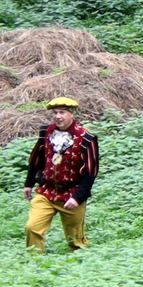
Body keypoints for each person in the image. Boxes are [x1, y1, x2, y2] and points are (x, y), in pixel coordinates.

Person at [23, 96, 100, 252]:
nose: (58, 116)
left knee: (76, 241)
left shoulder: (86, 139)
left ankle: (81, 262)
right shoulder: (46, 132)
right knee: (32, 227)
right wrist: (29, 183)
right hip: (47, 191)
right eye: (55, 113)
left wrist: (77, 198)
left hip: (71, 193)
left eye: (62, 112)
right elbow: (37, 158)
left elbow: (90, 173)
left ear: (72, 114)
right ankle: (34, 261)